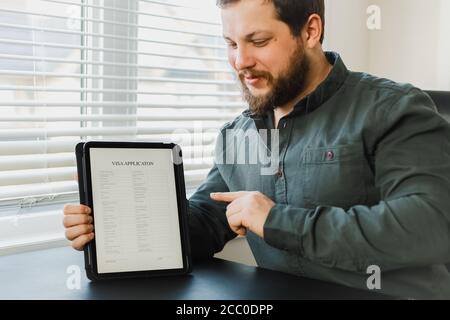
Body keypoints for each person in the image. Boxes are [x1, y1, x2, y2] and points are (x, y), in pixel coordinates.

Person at [63, 0, 450, 299]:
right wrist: (116, 228)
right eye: (231, 43)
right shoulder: (236, 135)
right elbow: (210, 219)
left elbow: (430, 225)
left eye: (258, 41)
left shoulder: (393, 109)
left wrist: (277, 221)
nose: (240, 61)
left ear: (311, 30)